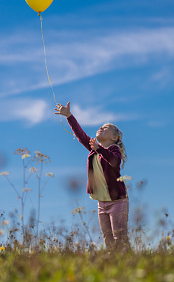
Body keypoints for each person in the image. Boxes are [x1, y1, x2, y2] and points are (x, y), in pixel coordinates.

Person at [55, 101, 129, 251]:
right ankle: (113, 265)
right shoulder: (94, 149)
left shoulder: (113, 149)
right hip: (102, 203)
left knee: (119, 237)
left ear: (114, 138)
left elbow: (114, 162)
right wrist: (69, 116)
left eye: (106, 128)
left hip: (117, 202)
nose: (101, 127)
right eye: (101, 126)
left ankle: (129, 261)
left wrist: (100, 149)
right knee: (108, 239)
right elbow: (80, 135)